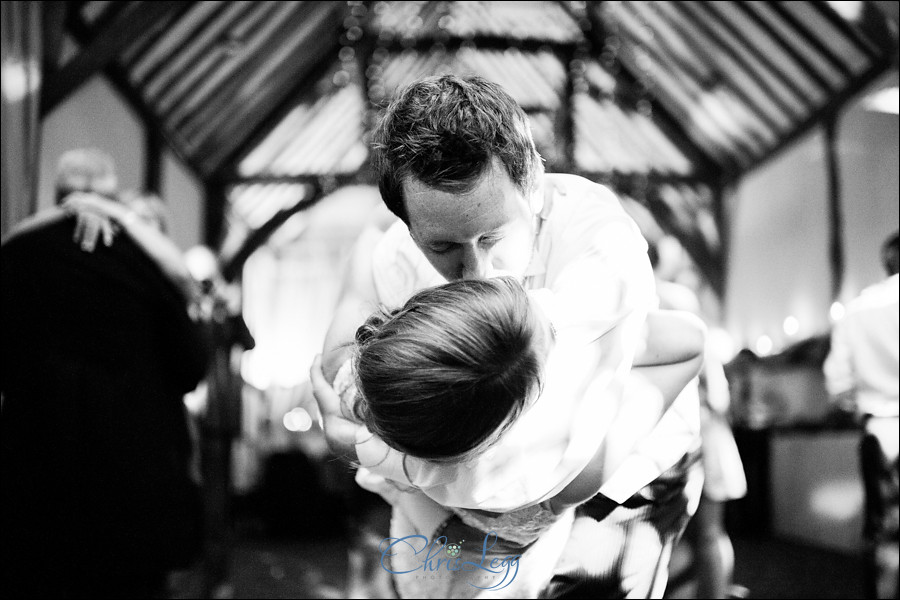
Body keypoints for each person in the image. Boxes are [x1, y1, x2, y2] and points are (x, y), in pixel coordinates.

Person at [313, 74, 704, 598]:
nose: (476, 270)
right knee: (440, 567)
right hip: (463, 499)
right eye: (444, 246)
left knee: (587, 580)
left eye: (493, 236)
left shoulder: (601, 249)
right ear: (406, 226)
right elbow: (345, 370)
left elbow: (678, 348)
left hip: (621, 475)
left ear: (535, 183)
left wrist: (360, 438)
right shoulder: (396, 258)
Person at [0, 148, 210, 597]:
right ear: (113, 196)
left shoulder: (19, 250)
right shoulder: (147, 259)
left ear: (56, 192)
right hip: (131, 485)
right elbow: (190, 365)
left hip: (37, 481)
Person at [648, 240, 747, 600]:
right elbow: (716, 389)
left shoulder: (627, 298)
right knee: (709, 534)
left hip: (651, 441)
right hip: (697, 435)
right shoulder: (677, 299)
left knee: (660, 538)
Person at [823, 231, 899, 600]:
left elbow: (837, 382)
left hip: (879, 431)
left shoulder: (858, 309)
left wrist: (860, 405)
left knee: (882, 527)